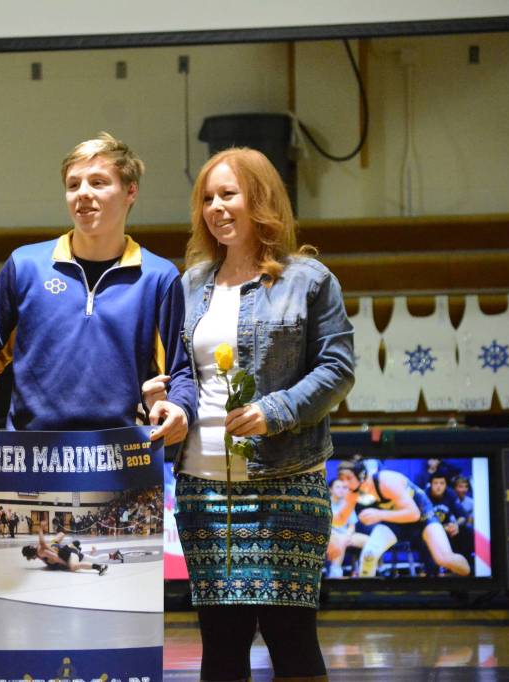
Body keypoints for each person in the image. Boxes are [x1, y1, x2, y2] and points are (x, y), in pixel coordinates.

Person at [162, 148, 354, 682]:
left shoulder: (309, 279)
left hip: (287, 479)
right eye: (207, 198)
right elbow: (180, 373)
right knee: (221, 643)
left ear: (261, 199)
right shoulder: (189, 284)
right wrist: (163, 393)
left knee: (291, 636)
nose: (216, 208)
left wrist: (276, 410)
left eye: (229, 194)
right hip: (203, 483)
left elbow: (338, 367)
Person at [0, 131, 195, 459]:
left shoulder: (159, 277)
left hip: (121, 461)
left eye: (98, 182)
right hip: (30, 459)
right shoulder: (25, 266)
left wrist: (180, 407)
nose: (83, 194)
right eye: (73, 184)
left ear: (130, 191)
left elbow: (182, 371)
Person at [335, 459, 471, 578]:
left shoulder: (386, 480)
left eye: (348, 478)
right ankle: (363, 597)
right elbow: (340, 519)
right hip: (396, 521)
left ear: (361, 475)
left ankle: (472, 577)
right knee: (369, 553)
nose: (345, 483)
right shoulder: (352, 493)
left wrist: (379, 514)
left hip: (422, 517)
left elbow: (414, 513)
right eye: (342, 479)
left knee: (444, 559)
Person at [326, 478, 367, 578]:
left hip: (345, 534)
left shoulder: (347, 504)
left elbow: (351, 526)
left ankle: (367, 571)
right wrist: (340, 537)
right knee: (339, 541)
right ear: (330, 489)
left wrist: (347, 535)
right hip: (329, 536)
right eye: (338, 487)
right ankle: (335, 573)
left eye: (344, 487)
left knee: (370, 541)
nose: (341, 490)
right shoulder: (324, 504)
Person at [22, 530, 108, 575]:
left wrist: (66, 564)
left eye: (31, 557)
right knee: (94, 559)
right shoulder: (52, 543)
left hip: (70, 553)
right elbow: (62, 534)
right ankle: (113, 556)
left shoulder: (41, 552)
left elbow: (55, 557)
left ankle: (100, 567)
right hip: (72, 551)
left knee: (73, 567)